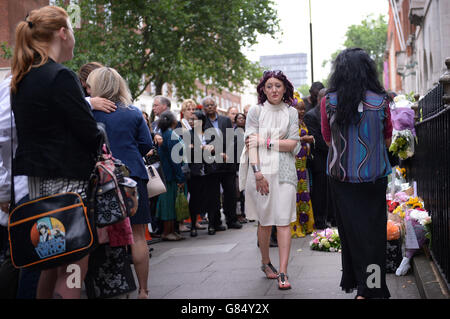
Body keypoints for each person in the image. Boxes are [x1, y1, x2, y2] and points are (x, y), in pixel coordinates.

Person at [10, 6, 102, 298]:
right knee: (74, 268)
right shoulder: (60, 76)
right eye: (72, 31)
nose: (73, 38)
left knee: (49, 265)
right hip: (69, 185)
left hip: (39, 185)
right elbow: (88, 131)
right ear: (63, 33)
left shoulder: (22, 78)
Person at [321, 48, 393, 299]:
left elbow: (328, 140)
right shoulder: (381, 101)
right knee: (373, 235)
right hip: (373, 178)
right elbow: (387, 139)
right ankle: (372, 288)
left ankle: (364, 288)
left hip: (342, 179)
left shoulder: (328, 101)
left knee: (352, 234)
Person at [87, 66, 153, 299]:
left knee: (106, 237)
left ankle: (115, 288)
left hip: (101, 180)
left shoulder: (88, 112)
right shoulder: (133, 112)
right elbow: (146, 146)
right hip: (133, 177)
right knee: (137, 235)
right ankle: (143, 290)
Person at [239, 70, 301, 290]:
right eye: (269, 86)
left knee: (284, 220)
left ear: (285, 88)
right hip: (261, 172)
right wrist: (257, 173)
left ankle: (283, 272)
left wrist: (265, 140)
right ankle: (265, 262)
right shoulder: (256, 111)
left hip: (285, 171)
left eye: (278, 86)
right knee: (265, 222)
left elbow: (292, 144)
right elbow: (250, 143)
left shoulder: (291, 112)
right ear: (263, 90)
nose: (274, 90)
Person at [202, 97, 242, 234]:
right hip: (211, 163)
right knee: (212, 195)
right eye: (207, 105)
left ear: (216, 106)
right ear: (204, 108)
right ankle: (215, 222)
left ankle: (232, 220)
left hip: (227, 162)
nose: (210, 107)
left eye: (212, 104)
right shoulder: (201, 122)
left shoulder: (225, 120)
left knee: (230, 192)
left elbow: (231, 140)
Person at [304, 87, 333, 230]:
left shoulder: (331, 112)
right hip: (319, 160)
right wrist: (333, 146)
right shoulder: (311, 115)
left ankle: (331, 217)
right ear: (320, 98)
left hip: (331, 158)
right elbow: (316, 139)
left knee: (330, 191)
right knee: (320, 192)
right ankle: (320, 220)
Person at [155, 110, 186, 240]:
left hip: (166, 174)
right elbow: (175, 159)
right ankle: (167, 232)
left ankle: (171, 231)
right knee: (169, 204)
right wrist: (180, 178)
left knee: (171, 203)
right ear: (174, 121)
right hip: (170, 176)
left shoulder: (164, 134)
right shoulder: (171, 135)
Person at [186, 111, 216, 237]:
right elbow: (188, 151)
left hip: (210, 171)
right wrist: (204, 148)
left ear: (201, 121)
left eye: (194, 119)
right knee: (194, 199)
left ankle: (212, 225)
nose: (191, 122)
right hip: (195, 172)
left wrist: (198, 147)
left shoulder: (210, 134)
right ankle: (193, 226)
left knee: (211, 199)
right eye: (190, 119)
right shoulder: (188, 134)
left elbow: (215, 150)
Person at [289, 93, 315, 238]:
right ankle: (296, 226)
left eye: (303, 109)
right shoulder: (290, 123)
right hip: (293, 163)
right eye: (299, 109)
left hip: (303, 163)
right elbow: (288, 139)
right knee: (295, 195)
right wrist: (304, 138)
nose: (302, 112)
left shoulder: (302, 122)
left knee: (304, 192)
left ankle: (306, 224)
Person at [234, 113, 247, 224]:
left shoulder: (249, 131)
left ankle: (246, 213)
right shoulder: (233, 133)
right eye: (239, 118)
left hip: (248, 163)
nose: (241, 120)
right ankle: (239, 214)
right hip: (237, 165)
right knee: (238, 191)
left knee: (247, 192)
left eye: (243, 118)